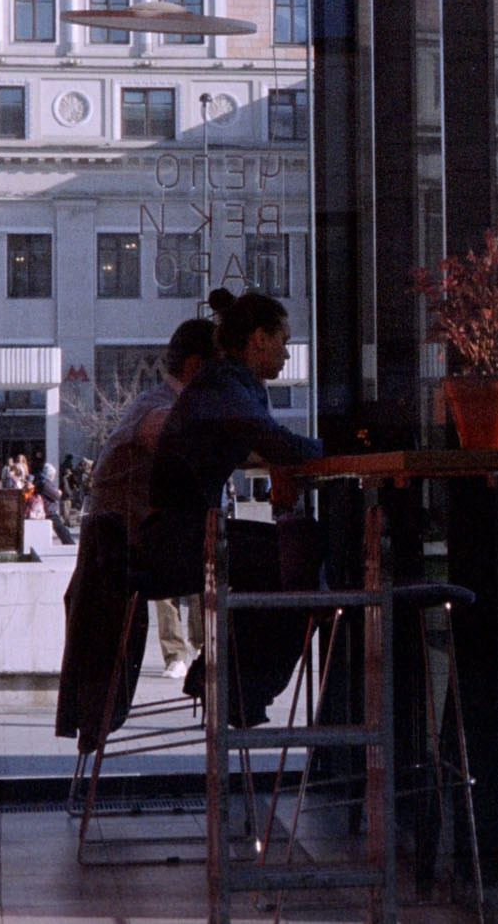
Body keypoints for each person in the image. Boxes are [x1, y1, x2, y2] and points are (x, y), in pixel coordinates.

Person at [141, 290, 324, 726]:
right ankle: (239, 688)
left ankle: (227, 680)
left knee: (298, 552)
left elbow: (262, 443)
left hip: (179, 534)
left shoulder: (224, 384)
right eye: (283, 340)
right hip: (180, 541)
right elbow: (277, 442)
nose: (287, 353)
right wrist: (338, 446)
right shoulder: (224, 385)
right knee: (302, 557)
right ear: (258, 338)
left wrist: (283, 456)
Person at [54, 315, 221, 750]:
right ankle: (229, 683)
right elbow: (176, 439)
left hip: (128, 559)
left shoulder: (156, 404)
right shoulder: (159, 409)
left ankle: (220, 676)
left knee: (252, 555)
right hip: (137, 559)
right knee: (274, 559)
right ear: (197, 367)